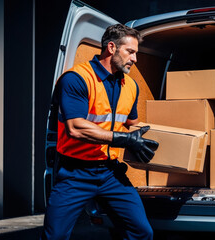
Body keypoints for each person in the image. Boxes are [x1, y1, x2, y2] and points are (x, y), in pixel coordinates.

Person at [43, 24, 158, 240]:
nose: (135, 59)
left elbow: (131, 123)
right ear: (112, 48)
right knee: (55, 237)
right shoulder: (77, 78)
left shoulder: (130, 85)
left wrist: (161, 137)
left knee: (141, 232)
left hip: (110, 173)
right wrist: (125, 139)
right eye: (130, 52)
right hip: (75, 173)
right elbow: (75, 127)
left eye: (136, 53)